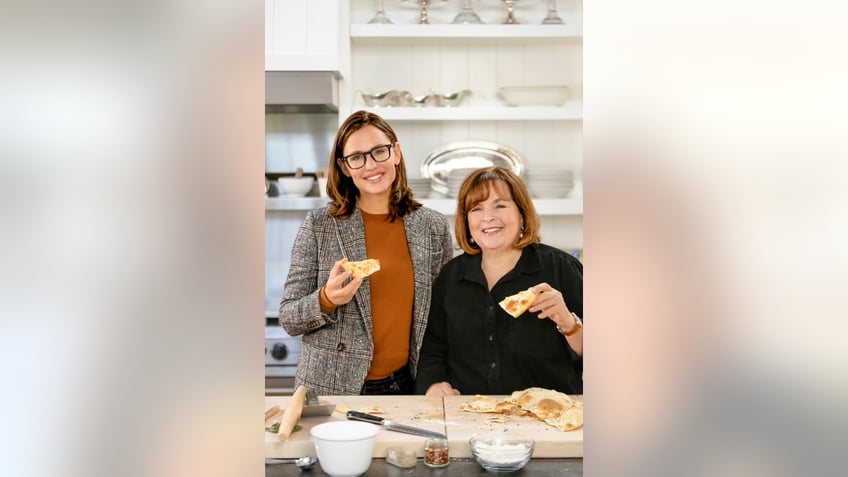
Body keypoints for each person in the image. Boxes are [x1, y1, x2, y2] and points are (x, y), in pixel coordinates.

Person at [279, 110, 454, 396]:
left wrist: (439, 377)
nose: (370, 165)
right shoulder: (320, 226)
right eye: (357, 157)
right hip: (333, 389)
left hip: (408, 386)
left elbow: (441, 317)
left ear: (396, 153)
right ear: (345, 167)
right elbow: (288, 317)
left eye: (379, 152)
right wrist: (325, 300)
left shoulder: (432, 226)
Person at [415, 166, 583, 396]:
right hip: (469, 415)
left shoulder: (562, 269)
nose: (488, 218)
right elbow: (432, 349)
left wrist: (569, 323)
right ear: (467, 221)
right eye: (476, 208)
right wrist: (433, 384)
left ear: (522, 213)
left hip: (548, 418)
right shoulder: (451, 277)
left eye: (500, 205)